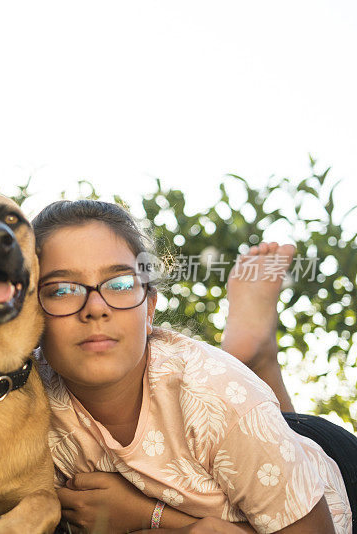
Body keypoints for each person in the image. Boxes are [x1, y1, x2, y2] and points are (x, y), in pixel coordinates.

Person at [31, 199, 355, 533]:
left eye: (120, 284)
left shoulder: (218, 400)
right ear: (27, 312)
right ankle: (254, 358)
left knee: (240, 411)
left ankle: (255, 358)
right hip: (244, 452)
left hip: (332, 485)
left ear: (150, 309)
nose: (95, 308)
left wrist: (148, 514)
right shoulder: (23, 397)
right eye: (62, 290)